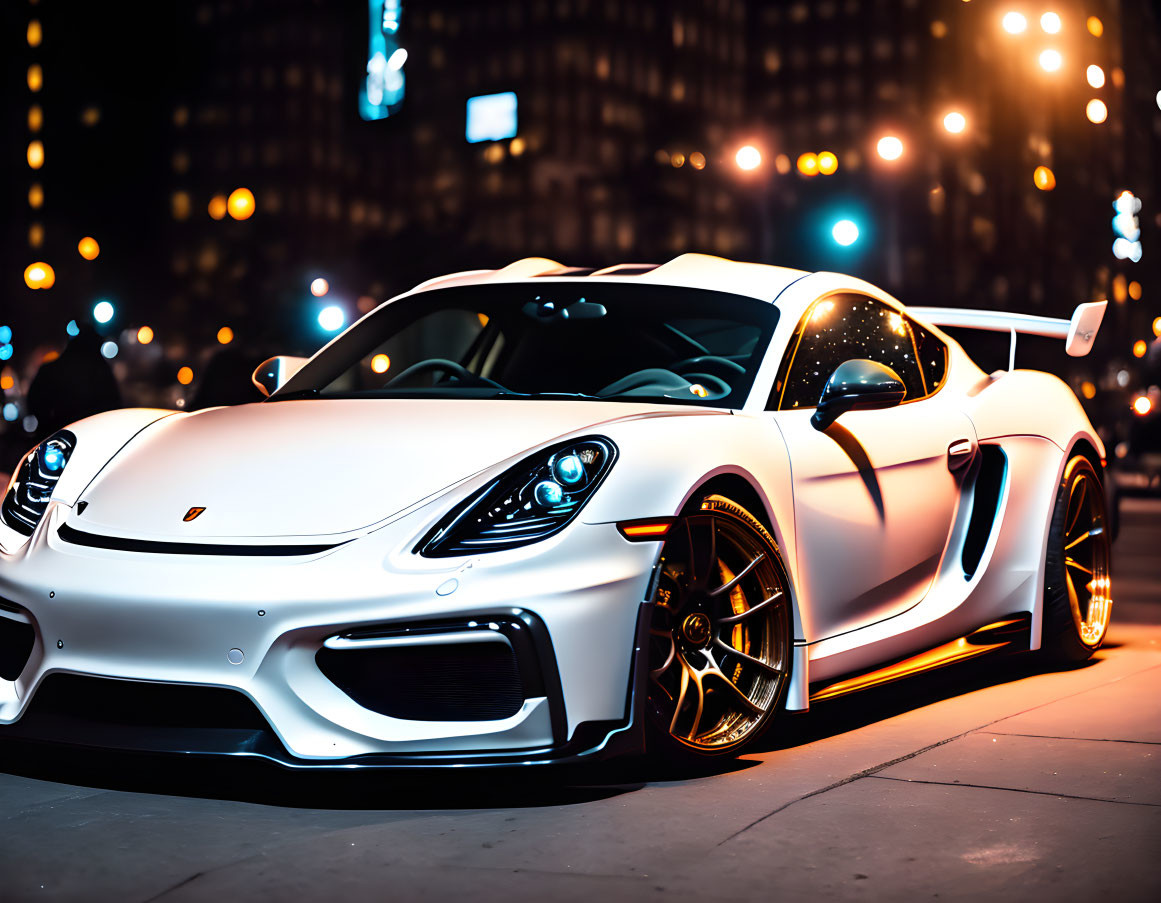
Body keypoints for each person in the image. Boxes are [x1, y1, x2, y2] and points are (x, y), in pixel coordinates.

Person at [26, 323, 121, 443]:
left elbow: (34, 402)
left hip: (56, 440)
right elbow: (114, 405)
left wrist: (47, 426)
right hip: (95, 437)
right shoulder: (101, 370)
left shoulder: (51, 369)